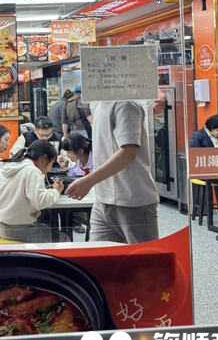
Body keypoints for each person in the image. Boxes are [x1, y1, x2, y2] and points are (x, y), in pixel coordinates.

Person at [65, 100, 159, 244]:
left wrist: (89, 181)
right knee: (100, 255)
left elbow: (128, 152)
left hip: (132, 200)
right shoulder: (97, 105)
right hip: (103, 200)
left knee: (143, 256)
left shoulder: (126, 105)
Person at [0, 140, 65, 242]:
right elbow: (40, 202)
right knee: (61, 237)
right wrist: (56, 191)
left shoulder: (10, 165)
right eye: (51, 163)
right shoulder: (32, 171)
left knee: (44, 227)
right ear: (44, 159)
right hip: (13, 230)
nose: (49, 169)